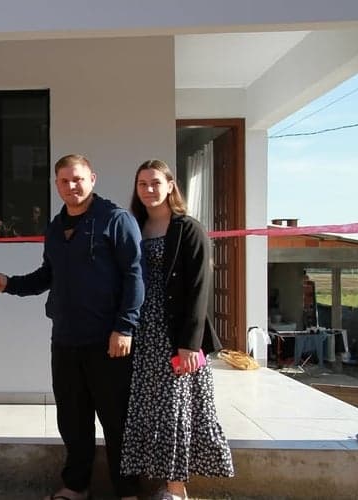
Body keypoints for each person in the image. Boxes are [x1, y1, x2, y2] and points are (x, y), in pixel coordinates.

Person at [0, 154, 144, 500]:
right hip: (66, 340)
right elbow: (48, 275)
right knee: (73, 420)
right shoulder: (56, 227)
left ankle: (128, 491)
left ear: (92, 179)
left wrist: (125, 327)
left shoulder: (116, 220)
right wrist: (8, 283)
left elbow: (135, 276)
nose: (71, 186)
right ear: (56, 184)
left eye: (77, 179)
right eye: (63, 181)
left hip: (109, 341)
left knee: (117, 421)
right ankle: (75, 486)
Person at [120, 159, 233, 500]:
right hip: (142, 333)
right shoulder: (133, 226)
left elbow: (200, 288)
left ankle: (175, 489)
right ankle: (160, 484)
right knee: (147, 409)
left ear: (170, 186)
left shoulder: (188, 228)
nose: (149, 190)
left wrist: (189, 344)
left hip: (176, 336)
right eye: (142, 184)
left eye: (155, 183)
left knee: (176, 410)